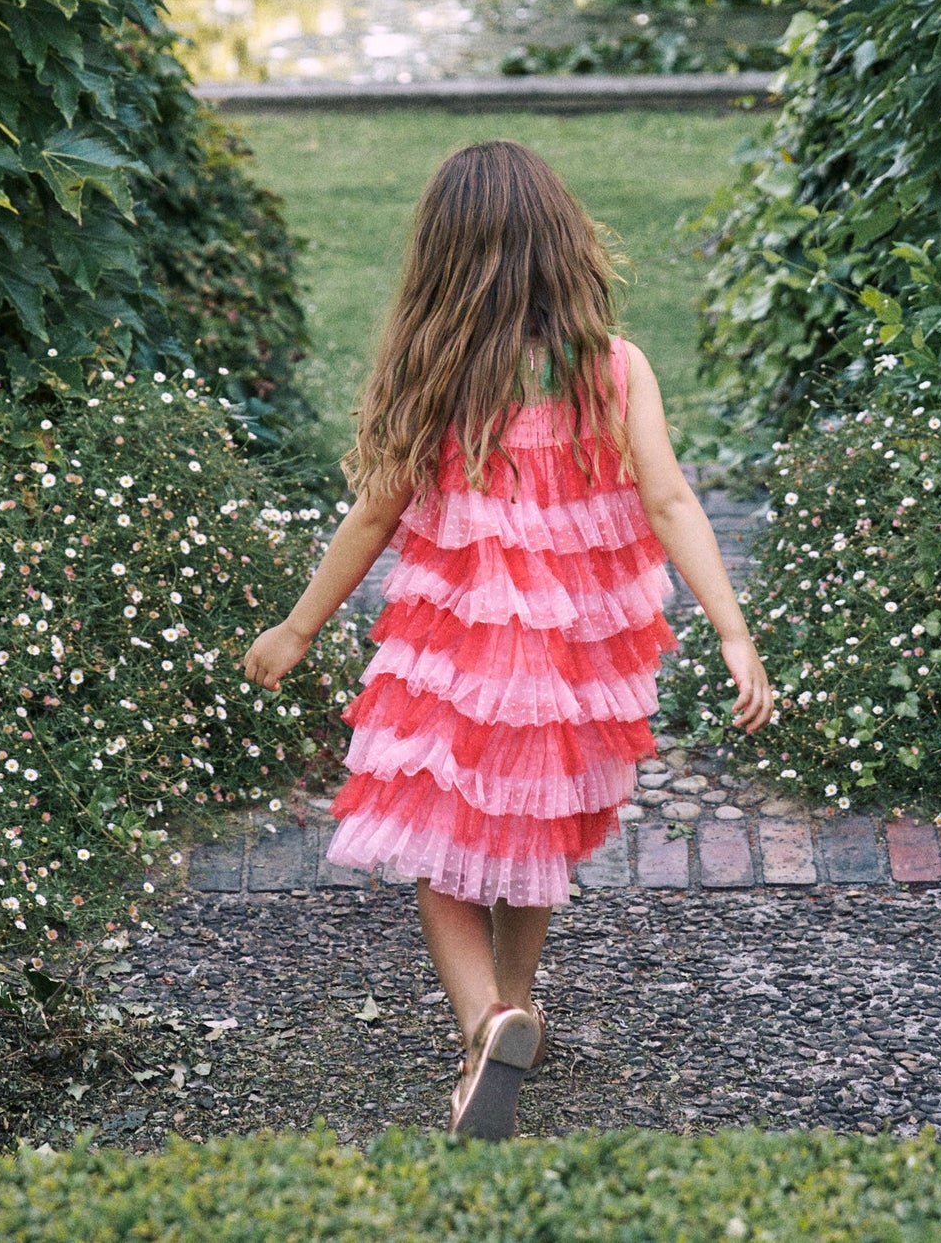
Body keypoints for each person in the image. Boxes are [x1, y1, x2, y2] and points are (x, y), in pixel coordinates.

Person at [243, 140, 773, 1139]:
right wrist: (732, 628)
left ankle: (483, 1024)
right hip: (573, 667)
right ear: (563, 245)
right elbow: (666, 495)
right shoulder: (613, 367)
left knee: (443, 866)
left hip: (458, 666)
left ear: (440, 260)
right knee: (532, 839)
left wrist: (298, 625)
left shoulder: (437, 371)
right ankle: (516, 1000)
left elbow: (371, 518)